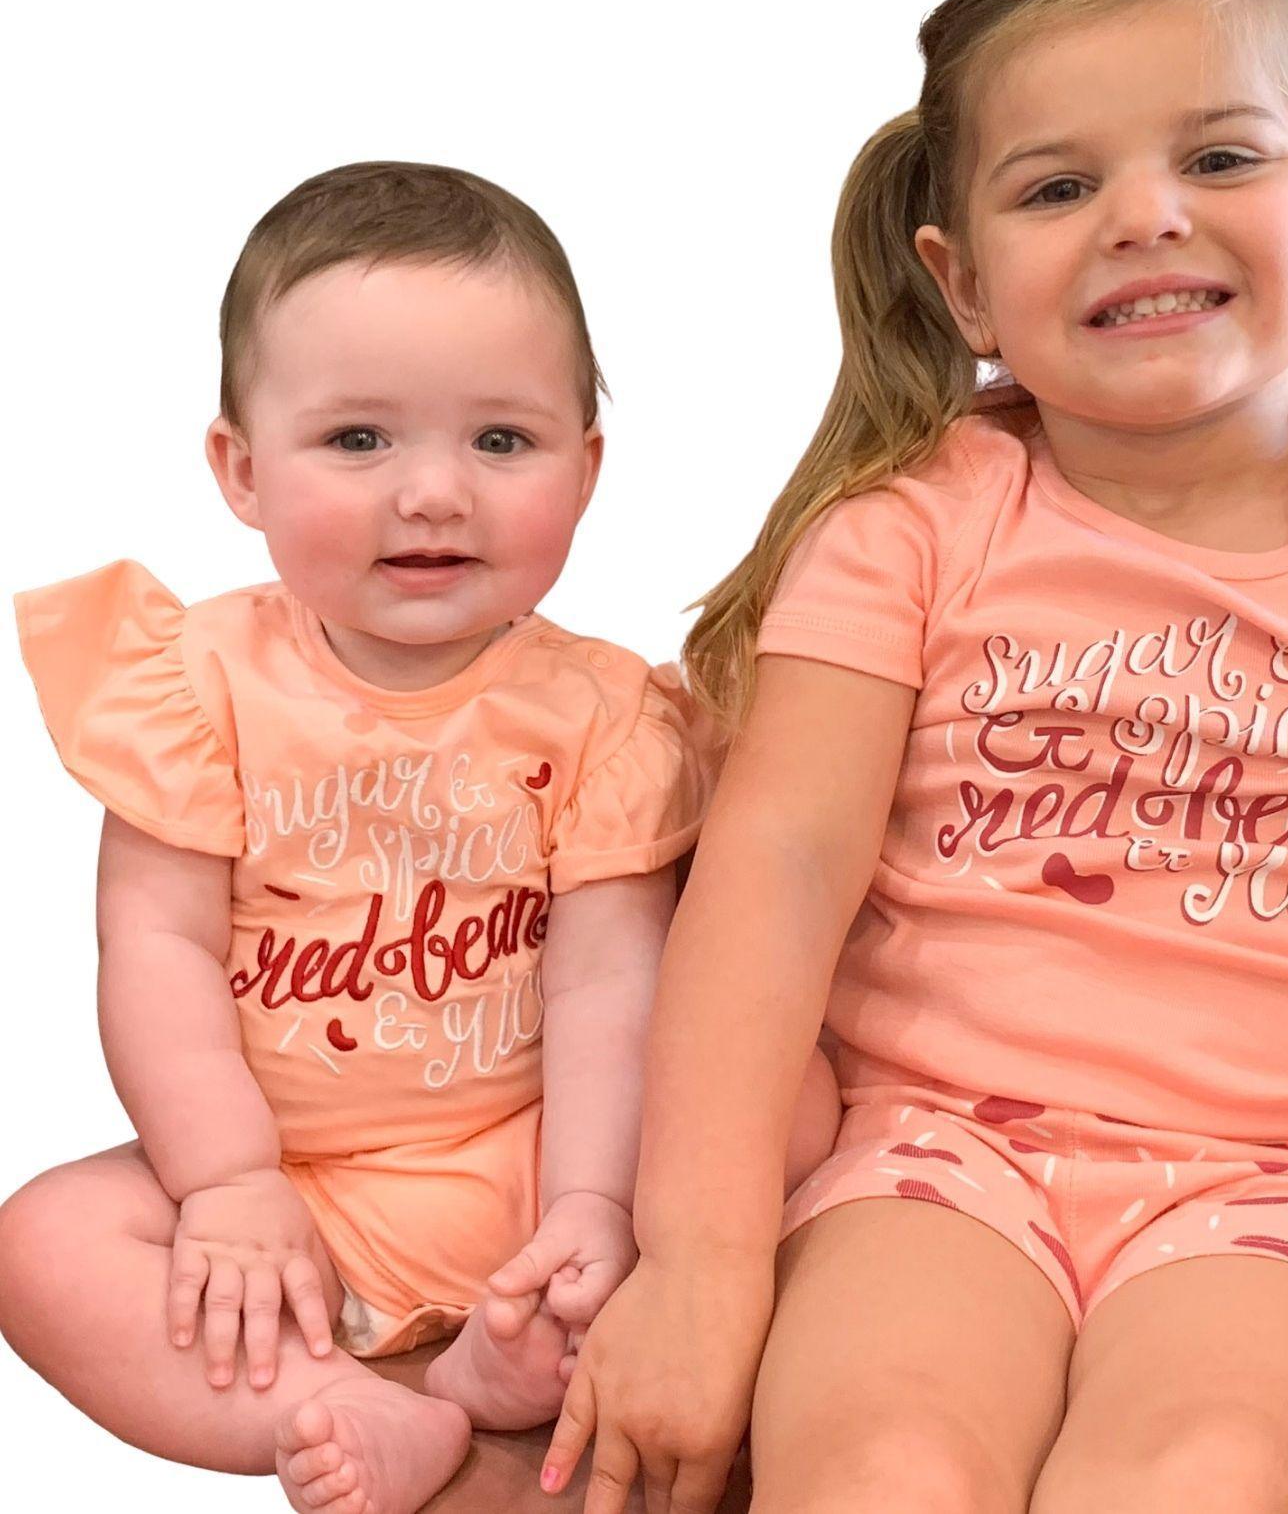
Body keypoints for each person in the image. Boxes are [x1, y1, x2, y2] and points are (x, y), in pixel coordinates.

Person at [540, 0, 1288, 1514]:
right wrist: (696, 1268)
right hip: (930, 1161)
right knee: (885, 1469)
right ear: (963, 283)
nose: (1145, 218)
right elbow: (767, 888)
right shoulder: (911, 528)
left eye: (1224, 160)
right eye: (1058, 187)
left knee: (1204, 1475)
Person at [0, 161, 836, 1514]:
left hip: (526, 1153)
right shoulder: (192, 683)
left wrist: (590, 1212)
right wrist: (224, 1183)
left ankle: (514, 1349)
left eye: (501, 442)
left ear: (587, 466)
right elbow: (152, 944)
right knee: (44, 1243)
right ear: (241, 469)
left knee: (791, 1110)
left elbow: (610, 981)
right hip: (296, 1189)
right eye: (360, 442)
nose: (437, 493)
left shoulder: (606, 712)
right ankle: (369, 1407)